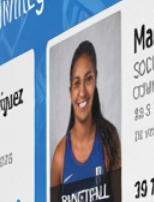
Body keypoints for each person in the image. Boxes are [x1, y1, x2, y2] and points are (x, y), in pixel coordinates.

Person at [50, 40, 122, 188]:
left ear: (96, 79)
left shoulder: (109, 138)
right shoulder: (60, 156)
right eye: (76, 83)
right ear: (70, 91)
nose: (82, 92)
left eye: (88, 79)